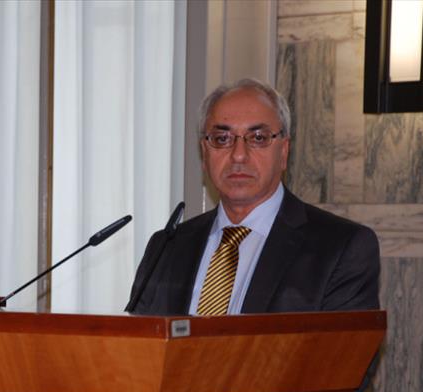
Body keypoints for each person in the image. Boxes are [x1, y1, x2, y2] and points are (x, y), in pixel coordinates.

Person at [127, 78, 380, 315]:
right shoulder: (167, 248)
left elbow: (342, 348)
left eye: (258, 138)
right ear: (204, 153)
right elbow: (137, 343)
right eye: (222, 139)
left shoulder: (340, 248)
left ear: (283, 152)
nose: (238, 155)